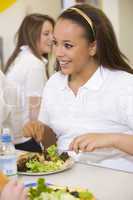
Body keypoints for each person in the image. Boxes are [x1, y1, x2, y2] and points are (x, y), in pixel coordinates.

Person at [23, 4, 133, 171]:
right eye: (55, 43)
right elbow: (52, 145)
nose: (58, 53)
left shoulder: (124, 84)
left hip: (116, 180)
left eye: (68, 45)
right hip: (66, 182)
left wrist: (112, 139)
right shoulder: (54, 83)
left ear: (92, 47)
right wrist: (41, 131)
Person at [4, 14, 55, 152]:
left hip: (11, 139)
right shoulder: (34, 64)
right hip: (25, 139)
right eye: (46, 34)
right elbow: (34, 110)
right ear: (32, 35)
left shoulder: (20, 58)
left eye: (52, 33)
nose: (52, 38)